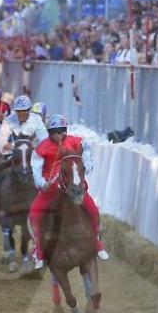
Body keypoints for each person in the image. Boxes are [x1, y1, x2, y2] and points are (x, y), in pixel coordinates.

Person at [28, 114, 110, 270]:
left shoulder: (76, 141)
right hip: (50, 187)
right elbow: (36, 169)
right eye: (53, 131)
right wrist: (41, 183)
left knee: (92, 210)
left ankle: (97, 243)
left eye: (60, 131)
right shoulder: (41, 148)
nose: (57, 134)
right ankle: (39, 252)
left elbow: (86, 148)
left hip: (73, 185)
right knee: (34, 214)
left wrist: (87, 162)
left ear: (65, 130)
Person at [0, 94, 49, 225]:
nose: (21, 114)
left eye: (24, 111)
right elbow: (0, 141)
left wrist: (34, 148)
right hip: (13, 156)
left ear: (29, 111)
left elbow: (45, 140)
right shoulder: (9, 120)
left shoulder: (36, 121)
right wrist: (14, 147)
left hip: (33, 157)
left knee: (50, 177)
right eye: (19, 112)